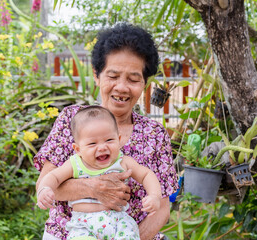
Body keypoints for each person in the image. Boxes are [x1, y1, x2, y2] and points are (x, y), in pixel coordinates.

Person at [34, 22, 178, 240]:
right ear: (96, 75)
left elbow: (163, 208)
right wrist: (92, 187)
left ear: (144, 84)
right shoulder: (71, 120)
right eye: (113, 76)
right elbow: (46, 185)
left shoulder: (155, 134)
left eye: (133, 79)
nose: (121, 87)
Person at [37, 106, 162, 240]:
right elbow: (53, 177)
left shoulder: (122, 161)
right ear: (78, 149)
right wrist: (44, 189)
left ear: (119, 140)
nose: (102, 147)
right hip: (83, 226)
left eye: (109, 140)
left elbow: (146, 175)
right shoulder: (75, 163)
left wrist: (154, 196)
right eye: (92, 143)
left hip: (119, 223)